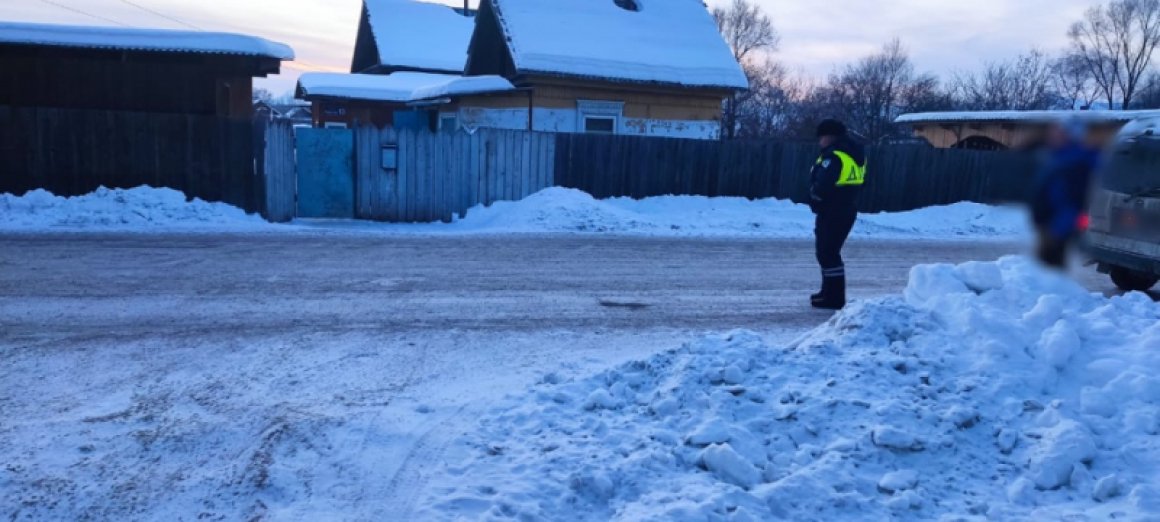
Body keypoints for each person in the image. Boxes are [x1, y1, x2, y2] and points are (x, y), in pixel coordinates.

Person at [809, 119, 866, 310]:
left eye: (821, 137)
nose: (819, 142)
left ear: (829, 137)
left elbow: (824, 185)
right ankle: (829, 293)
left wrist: (814, 198)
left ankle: (833, 298)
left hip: (832, 210)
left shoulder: (834, 157)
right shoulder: (853, 154)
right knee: (830, 253)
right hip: (846, 208)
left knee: (827, 253)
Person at [1031, 120, 1099, 269]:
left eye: (1059, 134)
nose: (1052, 137)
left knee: (1051, 265)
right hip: (1049, 222)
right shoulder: (1057, 158)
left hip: (1058, 224)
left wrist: (1056, 230)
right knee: (1045, 266)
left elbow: (1073, 200)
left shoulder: (1076, 161)